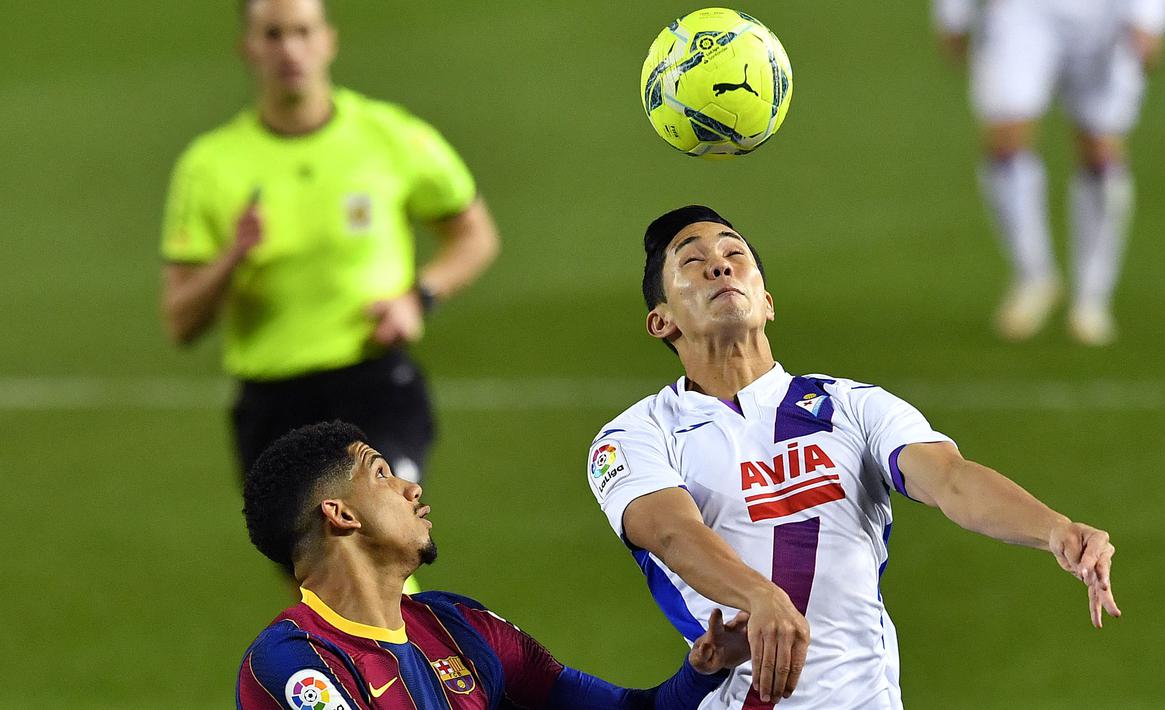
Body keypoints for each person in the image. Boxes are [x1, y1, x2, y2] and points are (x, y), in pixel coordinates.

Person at [585, 206, 1121, 708]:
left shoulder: (852, 406)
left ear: (767, 300)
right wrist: (760, 597)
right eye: (693, 262)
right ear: (661, 322)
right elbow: (673, 534)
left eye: (734, 254)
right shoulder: (635, 436)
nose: (719, 266)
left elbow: (951, 480)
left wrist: (1053, 528)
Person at [160, 0, 500, 485]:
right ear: (247, 48)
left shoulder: (390, 135)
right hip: (271, 400)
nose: (290, 49)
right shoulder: (209, 165)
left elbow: (474, 234)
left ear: (328, 40)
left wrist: (418, 298)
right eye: (273, 35)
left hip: (373, 381)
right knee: (313, 560)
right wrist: (232, 257)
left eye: (302, 31)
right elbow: (181, 322)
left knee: (373, 526)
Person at [237, 421, 751, 709]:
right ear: (342, 515)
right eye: (381, 474)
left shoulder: (459, 627)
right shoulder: (294, 662)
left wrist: (704, 668)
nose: (411, 488)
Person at [932, 0, 1165, 345]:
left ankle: (1092, 297)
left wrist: (1150, 17)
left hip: (1105, 15)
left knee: (1100, 146)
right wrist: (953, 13)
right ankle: (1033, 275)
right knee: (1005, 137)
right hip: (1021, 11)